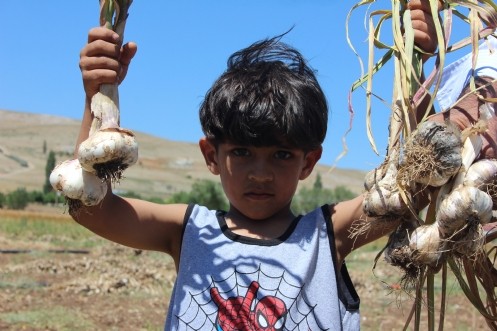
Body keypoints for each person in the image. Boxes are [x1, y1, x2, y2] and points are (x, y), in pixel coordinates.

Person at [73, 0, 495, 329]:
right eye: (241, 152)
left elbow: (411, 186)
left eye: (281, 155)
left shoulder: (327, 235)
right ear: (211, 156)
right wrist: (97, 95)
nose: (260, 173)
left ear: (309, 161)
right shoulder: (187, 232)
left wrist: (420, 59)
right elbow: (91, 207)